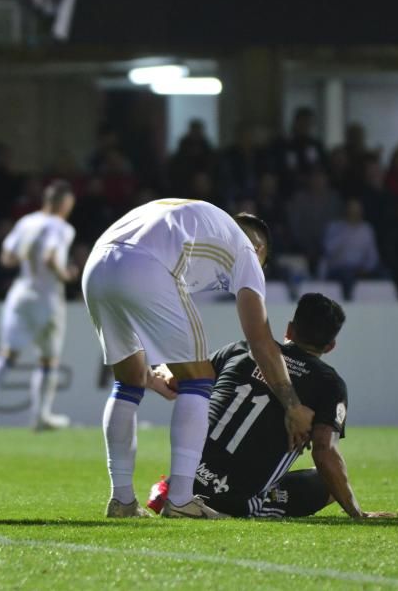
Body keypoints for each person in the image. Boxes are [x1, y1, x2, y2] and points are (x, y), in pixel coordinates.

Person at [82, 199, 314, 519]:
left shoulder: (202, 229)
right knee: (199, 379)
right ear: (259, 249)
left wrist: (162, 368)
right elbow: (260, 342)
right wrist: (292, 404)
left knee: (130, 381)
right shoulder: (245, 250)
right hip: (144, 264)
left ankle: (121, 500)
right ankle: (180, 500)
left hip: (97, 263)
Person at [146, 294, 398, 519]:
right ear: (330, 346)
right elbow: (325, 453)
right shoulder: (329, 383)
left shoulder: (241, 350)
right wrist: (357, 512)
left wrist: (162, 372)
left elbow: (179, 381)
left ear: (290, 330)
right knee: (325, 485)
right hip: (233, 503)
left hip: (184, 482)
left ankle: (173, 490)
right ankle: (235, 501)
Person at [0, 181, 77, 433]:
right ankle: (41, 416)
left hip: (20, 292)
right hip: (47, 296)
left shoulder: (26, 222)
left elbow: (7, 257)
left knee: (7, 353)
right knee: (48, 359)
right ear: (64, 203)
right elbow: (50, 257)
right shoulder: (61, 227)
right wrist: (65, 274)